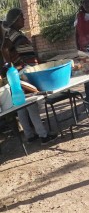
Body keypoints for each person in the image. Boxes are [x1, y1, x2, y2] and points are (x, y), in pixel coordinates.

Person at [1, 9, 57, 145]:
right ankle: (43, 135)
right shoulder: (12, 34)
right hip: (23, 72)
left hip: (22, 71)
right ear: (15, 20)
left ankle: (29, 135)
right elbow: (4, 49)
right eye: (21, 17)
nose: (24, 19)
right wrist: (11, 66)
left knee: (22, 104)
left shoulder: (14, 33)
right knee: (32, 104)